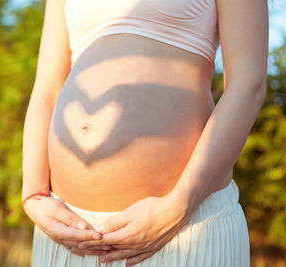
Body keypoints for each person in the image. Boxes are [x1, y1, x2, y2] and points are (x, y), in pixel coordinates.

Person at [15, 0, 268, 265]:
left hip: (181, 228)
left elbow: (247, 83)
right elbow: (47, 89)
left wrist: (178, 207)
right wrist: (33, 195)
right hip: (68, 232)